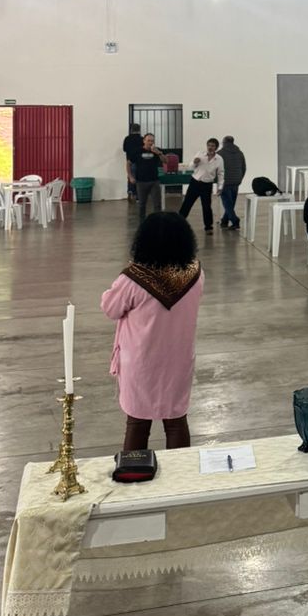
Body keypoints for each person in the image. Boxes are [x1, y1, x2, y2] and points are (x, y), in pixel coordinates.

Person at [101, 211, 204, 451]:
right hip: (178, 359)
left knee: (138, 421)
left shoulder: (133, 279)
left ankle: (134, 471)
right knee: (176, 421)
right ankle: (182, 472)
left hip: (142, 362)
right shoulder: (196, 274)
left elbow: (110, 308)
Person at [179, 138, 223, 234]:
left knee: (206, 206)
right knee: (187, 203)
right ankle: (178, 223)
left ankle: (208, 227)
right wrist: (194, 162)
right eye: (209, 145)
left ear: (216, 148)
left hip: (207, 185)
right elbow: (190, 167)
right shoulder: (200, 154)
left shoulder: (219, 159)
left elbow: (221, 173)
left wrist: (220, 187)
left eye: (212, 146)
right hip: (195, 183)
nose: (210, 147)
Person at [218, 135, 246, 231]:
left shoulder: (220, 154)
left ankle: (235, 221)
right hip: (236, 181)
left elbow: (216, 168)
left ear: (224, 142)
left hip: (225, 181)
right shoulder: (240, 153)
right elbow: (243, 167)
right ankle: (224, 221)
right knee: (230, 203)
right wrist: (240, 178)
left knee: (227, 203)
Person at [133, 133, 164, 215]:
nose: (150, 143)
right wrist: (130, 176)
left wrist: (159, 153)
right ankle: (142, 220)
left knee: (157, 204)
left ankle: (158, 220)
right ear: (144, 141)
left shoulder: (157, 150)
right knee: (142, 204)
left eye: (152, 141)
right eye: (148, 141)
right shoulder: (137, 151)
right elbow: (128, 163)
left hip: (154, 181)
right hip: (141, 181)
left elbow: (166, 161)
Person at [122, 122, 143, 200]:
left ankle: (130, 191)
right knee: (139, 177)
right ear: (139, 130)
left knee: (130, 176)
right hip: (139, 161)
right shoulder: (142, 139)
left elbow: (124, 149)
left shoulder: (127, 139)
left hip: (129, 160)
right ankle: (137, 195)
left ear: (131, 130)